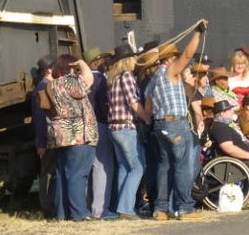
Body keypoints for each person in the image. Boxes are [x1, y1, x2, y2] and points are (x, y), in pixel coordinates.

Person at [144, 21, 209, 220]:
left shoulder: (153, 78)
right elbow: (187, 55)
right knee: (182, 166)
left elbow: (148, 107)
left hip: (160, 124)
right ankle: (185, 208)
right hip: (176, 124)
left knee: (164, 166)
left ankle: (161, 209)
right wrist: (197, 34)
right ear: (170, 59)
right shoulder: (169, 71)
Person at [45, 55, 98, 221]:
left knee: (63, 174)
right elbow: (89, 79)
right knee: (78, 174)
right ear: (70, 68)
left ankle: (62, 213)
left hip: (61, 136)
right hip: (78, 135)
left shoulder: (52, 85)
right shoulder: (71, 81)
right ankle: (79, 213)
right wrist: (82, 63)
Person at [106, 44, 148, 219]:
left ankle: (122, 207)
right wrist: (146, 117)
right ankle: (126, 209)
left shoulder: (112, 79)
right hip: (126, 127)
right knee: (138, 167)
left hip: (114, 127)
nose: (135, 61)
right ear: (127, 60)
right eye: (133, 58)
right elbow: (133, 101)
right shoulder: (127, 77)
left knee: (124, 167)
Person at [207, 99, 249, 206]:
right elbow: (228, 148)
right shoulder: (220, 127)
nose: (232, 111)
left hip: (242, 159)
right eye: (229, 110)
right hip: (234, 162)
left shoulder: (228, 125)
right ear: (222, 113)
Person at [83, 47, 116, 220]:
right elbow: (105, 104)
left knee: (88, 167)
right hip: (100, 124)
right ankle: (100, 209)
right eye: (102, 59)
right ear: (96, 61)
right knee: (103, 167)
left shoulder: (82, 79)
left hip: (85, 125)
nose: (105, 62)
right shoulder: (101, 79)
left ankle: (88, 206)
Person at [31, 54, 57, 215]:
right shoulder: (43, 87)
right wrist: (41, 142)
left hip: (50, 134)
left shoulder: (46, 85)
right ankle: (46, 205)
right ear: (49, 70)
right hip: (47, 135)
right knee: (47, 170)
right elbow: (40, 117)